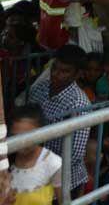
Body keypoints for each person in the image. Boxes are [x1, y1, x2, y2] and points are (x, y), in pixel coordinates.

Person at [28, 45, 90, 195]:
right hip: (33, 167)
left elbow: (73, 154)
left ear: (77, 74)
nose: (56, 74)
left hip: (64, 180)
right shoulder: (39, 89)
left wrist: (42, 169)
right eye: (54, 68)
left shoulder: (79, 104)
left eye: (64, 71)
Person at [9, 104, 63, 205]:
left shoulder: (53, 163)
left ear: (41, 134)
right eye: (15, 136)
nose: (21, 143)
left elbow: (63, 201)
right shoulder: (5, 160)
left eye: (26, 136)